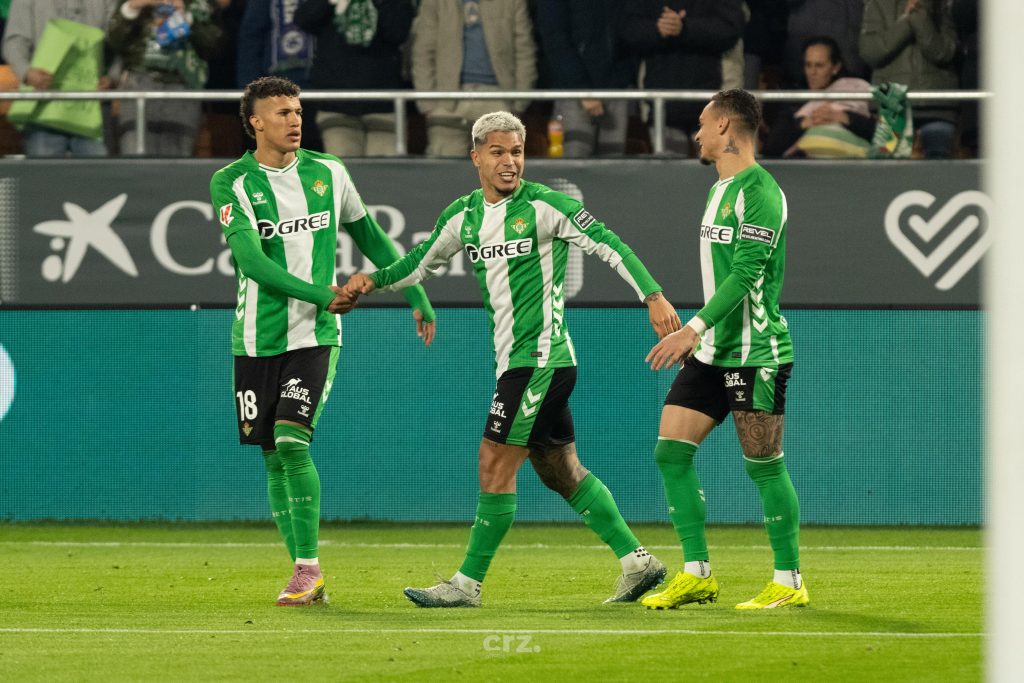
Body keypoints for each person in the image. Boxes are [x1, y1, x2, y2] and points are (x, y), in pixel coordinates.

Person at [340, 111, 681, 608]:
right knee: (560, 469)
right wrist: (371, 281)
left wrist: (653, 295)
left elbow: (610, 246)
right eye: (498, 152)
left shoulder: (546, 205)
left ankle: (466, 585)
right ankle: (638, 562)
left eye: (517, 152)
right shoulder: (463, 215)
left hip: (539, 359)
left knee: (493, 462)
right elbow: (420, 263)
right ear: (475, 157)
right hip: (518, 363)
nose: (509, 162)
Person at [209, 76, 436, 606]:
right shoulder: (231, 182)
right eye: (282, 113)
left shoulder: (329, 171)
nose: (295, 120)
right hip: (255, 337)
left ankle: (308, 569)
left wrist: (414, 290)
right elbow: (251, 262)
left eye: (298, 111)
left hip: (315, 334)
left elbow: (369, 234)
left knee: (292, 440)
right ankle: (305, 575)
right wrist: (321, 292)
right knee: (271, 455)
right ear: (255, 122)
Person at [641, 89, 808, 611]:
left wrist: (691, 328)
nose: (695, 133)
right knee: (671, 452)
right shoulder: (719, 189)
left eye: (701, 123)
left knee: (763, 463)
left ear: (724, 126)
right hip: (714, 351)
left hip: (756, 350)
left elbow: (747, 272)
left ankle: (789, 580)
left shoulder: (761, 192)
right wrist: (702, 336)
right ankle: (697, 574)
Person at [411, 0, 536, 157]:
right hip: (446, 100)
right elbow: (422, 51)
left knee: (499, 168)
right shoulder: (435, 3)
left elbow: (525, 51)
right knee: (443, 168)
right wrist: (428, 103)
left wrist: (519, 103)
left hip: (498, 98)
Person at [620, 0, 745, 156]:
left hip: (715, 101)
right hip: (661, 100)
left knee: (718, 169)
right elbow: (628, 28)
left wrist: (685, 28)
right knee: (670, 169)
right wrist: (657, 28)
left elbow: (730, 28)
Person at [294, 0, 414, 157]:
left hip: (383, 105)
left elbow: (398, 32)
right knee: (345, 168)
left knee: (385, 169)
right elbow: (304, 20)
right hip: (336, 105)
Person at [2, 0, 118, 157]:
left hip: (92, 106)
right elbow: (15, 40)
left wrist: (111, 77)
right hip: (43, 104)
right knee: (46, 169)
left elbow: (119, 39)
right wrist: (26, 72)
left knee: (98, 169)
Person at [108, 0, 222, 156]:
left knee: (177, 164)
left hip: (183, 86)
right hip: (138, 83)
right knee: (135, 160)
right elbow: (114, 41)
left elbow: (215, 45)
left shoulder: (199, 4)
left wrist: (187, 18)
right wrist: (134, 6)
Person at [535, 0, 637, 157]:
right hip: (574, 93)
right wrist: (581, 88)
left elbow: (629, 26)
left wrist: (625, 77)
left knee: (615, 165)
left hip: (617, 89)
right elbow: (555, 40)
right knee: (575, 163)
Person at [859, 0, 959, 158]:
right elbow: (871, 52)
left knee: (938, 164)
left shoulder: (939, 4)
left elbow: (943, 53)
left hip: (936, 101)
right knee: (888, 165)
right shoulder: (877, 3)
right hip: (892, 99)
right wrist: (906, 22)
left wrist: (920, 16)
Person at [762, 36, 874, 158]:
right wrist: (803, 123)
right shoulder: (795, 101)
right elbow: (770, 148)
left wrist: (845, 117)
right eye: (808, 65)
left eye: (819, 66)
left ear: (836, 67)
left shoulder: (852, 94)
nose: (812, 72)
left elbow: (877, 134)